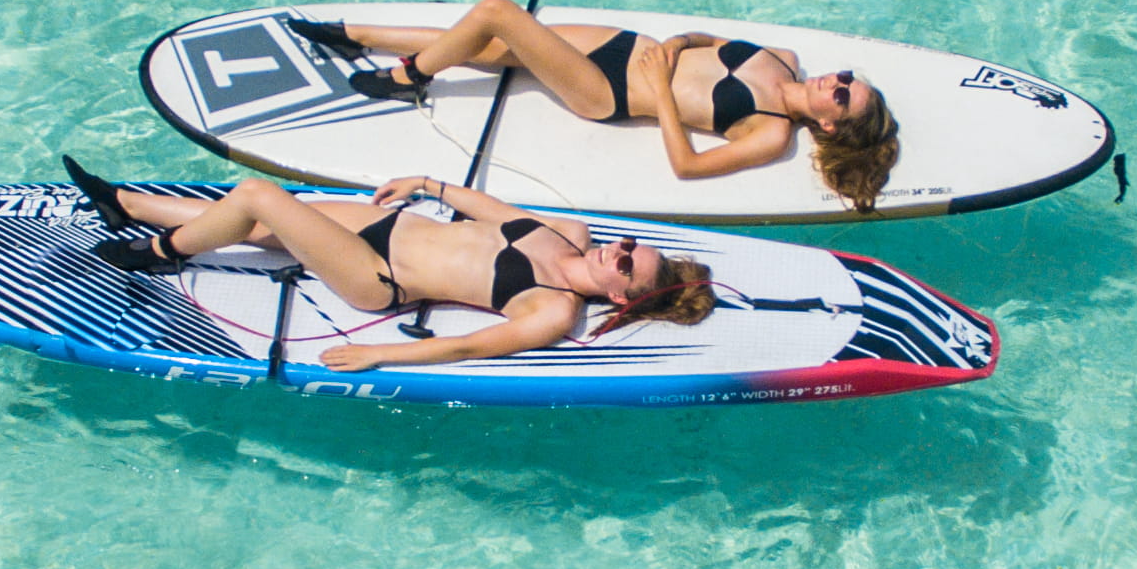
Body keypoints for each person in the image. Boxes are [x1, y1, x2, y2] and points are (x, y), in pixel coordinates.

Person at [61, 156, 716, 372]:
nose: (620, 249)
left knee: (263, 197)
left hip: (377, 278)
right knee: (257, 223)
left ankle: (152, 253)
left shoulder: (551, 308)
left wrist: (381, 356)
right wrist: (429, 186)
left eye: (627, 264)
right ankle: (124, 202)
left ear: (622, 296)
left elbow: (471, 346)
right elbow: (491, 207)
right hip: (387, 224)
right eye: (630, 245)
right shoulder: (567, 232)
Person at [292, 0, 902, 211]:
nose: (837, 81)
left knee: (497, 14)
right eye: (847, 77)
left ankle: (408, 75)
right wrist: (675, 45)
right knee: (496, 48)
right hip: (624, 44)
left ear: (828, 122)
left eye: (844, 97)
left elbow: (686, 166)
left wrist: (660, 90)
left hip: (607, 91)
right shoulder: (785, 56)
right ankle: (356, 34)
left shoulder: (771, 132)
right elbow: (704, 40)